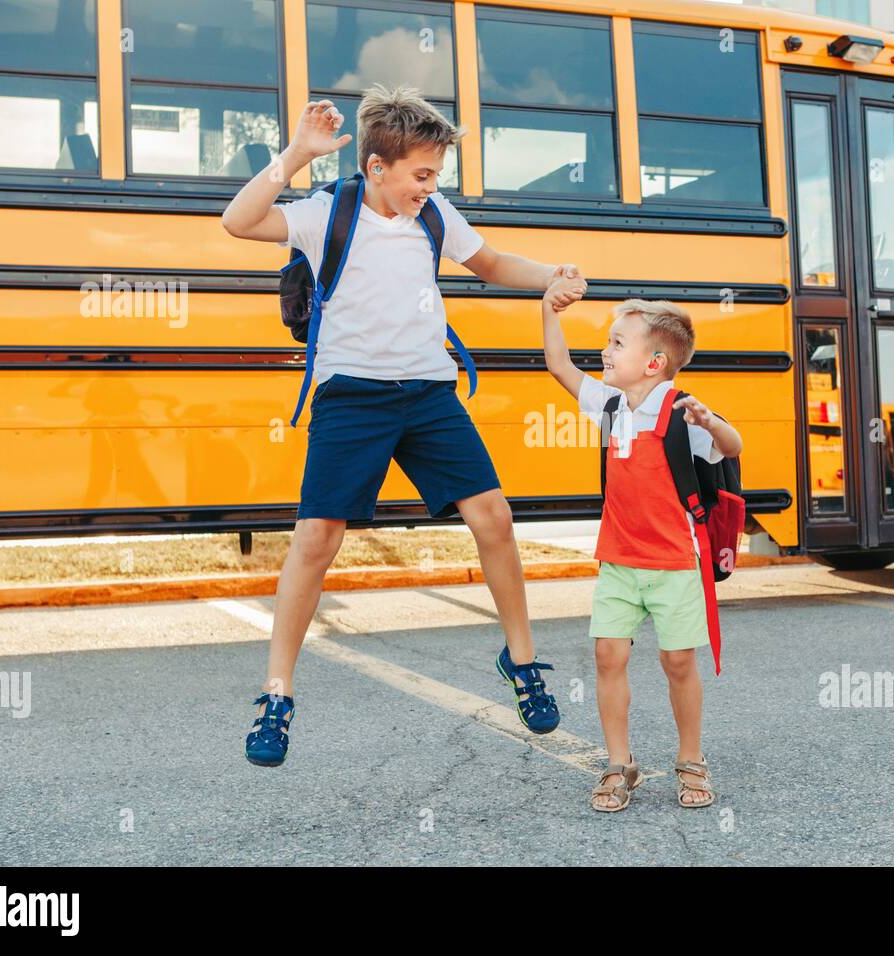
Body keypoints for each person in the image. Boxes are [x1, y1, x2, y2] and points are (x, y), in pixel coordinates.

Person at [221, 84, 586, 767]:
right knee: (315, 539)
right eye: (421, 175)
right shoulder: (327, 210)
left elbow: (492, 263)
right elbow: (238, 222)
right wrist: (297, 151)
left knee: (494, 518)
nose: (429, 187)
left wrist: (552, 278)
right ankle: (277, 694)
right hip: (351, 396)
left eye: (435, 177)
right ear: (378, 166)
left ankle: (523, 662)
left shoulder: (433, 215)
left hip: (427, 394)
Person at [539, 278, 742, 811]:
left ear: (653, 362)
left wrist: (711, 423)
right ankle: (618, 762)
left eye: (616, 343)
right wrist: (548, 310)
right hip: (619, 561)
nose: (604, 351)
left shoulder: (681, 411)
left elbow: (734, 445)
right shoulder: (609, 404)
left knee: (678, 662)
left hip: (675, 563)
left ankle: (691, 760)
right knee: (608, 656)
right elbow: (559, 366)